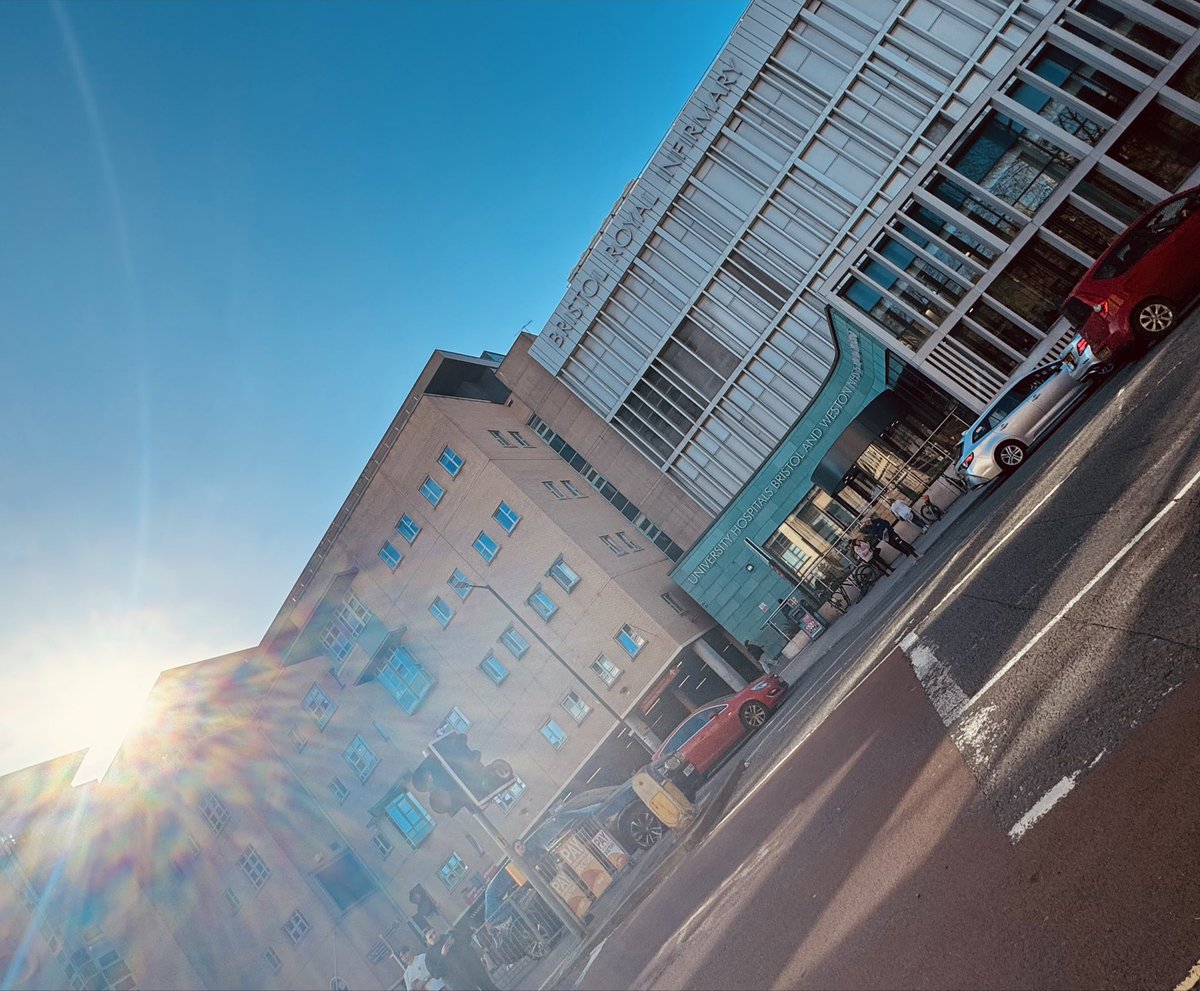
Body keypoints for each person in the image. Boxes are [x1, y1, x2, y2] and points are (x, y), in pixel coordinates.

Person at [426, 928, 500, 991]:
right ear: (427, 941)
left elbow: (467, 938)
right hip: (460, 983)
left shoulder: (448, 936)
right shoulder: (429, 957)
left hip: (475, 969)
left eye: (434, 932)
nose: (434, 936)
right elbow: (436, 974)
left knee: (490, 988)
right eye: (430, 937)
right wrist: (442, 955)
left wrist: (455, 941)